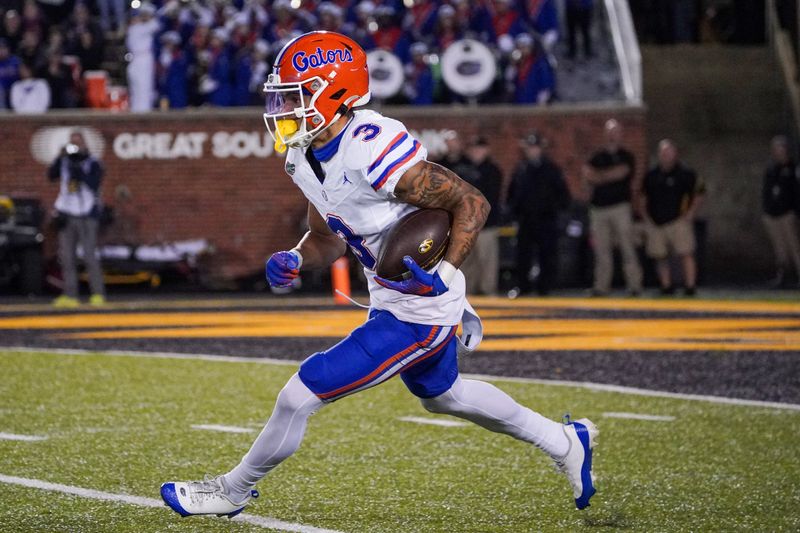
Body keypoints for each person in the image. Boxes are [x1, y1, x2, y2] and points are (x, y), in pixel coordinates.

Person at [160, 31, 598, 519]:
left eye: (296, 95)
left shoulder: (372, 145)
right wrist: (298, 258)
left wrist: (447, 270)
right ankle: (564, 441)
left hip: (421, 303)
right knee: (444, 396)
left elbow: (472, 202)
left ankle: (232, 490)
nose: (284, 108)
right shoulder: (303, 154)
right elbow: (327, 236)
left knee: (300, 394)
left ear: (335, 92)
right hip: (389, 294)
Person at [584, 119, 642, 296]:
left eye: (615, 131)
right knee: (602, 250)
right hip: (599, 209)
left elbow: (622, 172)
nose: (612, 135)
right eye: (609, 131)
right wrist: (608, 175)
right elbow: (588, 175)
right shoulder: (597, 156)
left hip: (620, 207)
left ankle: (634, 285)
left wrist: (600, 176)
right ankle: (601, 286)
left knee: (627, 247)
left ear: (620, 134)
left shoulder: (627, 156)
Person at [48, 131, 106, 307]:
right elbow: (51, 176)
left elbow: (94, 184)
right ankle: (71, 294)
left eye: (78, 143)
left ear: (85, 144)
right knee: (67, 257)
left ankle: (97, 293)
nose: (75, 147)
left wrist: (79, 169)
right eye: (72, 143)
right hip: (67, 212)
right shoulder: (65, 161)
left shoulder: (92, 162)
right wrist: (59, 158)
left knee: (89, 255)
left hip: (86, 213)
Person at [508, 132, 570, 296]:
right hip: (526, 219)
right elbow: (513, 193)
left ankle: (545, 287)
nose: (533, 151)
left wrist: (557, 211)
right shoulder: (521, 169)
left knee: (547, 254)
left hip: (546, 218)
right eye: (530, 148)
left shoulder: (551, 169)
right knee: (523, 254)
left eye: (535, 148)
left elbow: (562, 194)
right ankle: (523, 286)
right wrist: (514, 212)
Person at [641, 139, 705, 295]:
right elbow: (643, 197)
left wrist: (691, 213)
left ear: (675, 154)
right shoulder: (652, 175)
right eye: (663, 153)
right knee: (660, 255)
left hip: (678, 220)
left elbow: (700, 192)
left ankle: (690, 286)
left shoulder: (685, 173)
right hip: (656, 222)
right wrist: (646, 217)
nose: (666, 155)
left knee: (686, 252)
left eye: (669, 152)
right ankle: (666, 285)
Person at [460, 136, 504, 295]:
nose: (476, 152)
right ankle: (466, 296)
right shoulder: (462, 168)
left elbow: (490, 198)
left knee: (487, 264)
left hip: (486, 225)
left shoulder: (492, 170)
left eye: (479, 149)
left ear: (486, 150)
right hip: (465, 225)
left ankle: (489, 294)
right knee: (466, 265)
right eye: (473, 149)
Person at [761, 135, 800, 287]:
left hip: (787, 213)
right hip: (772, 214)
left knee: (794, 246)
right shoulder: (771, 169)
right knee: (779, 248)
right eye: (775, 148)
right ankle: (782, 276)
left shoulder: (793, 168)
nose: (778, 152)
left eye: (780, 148)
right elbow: (766, 191)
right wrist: (766, 210)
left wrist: (795, 211)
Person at [126, 3, 159, 112]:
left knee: (141, 92)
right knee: (142, 91)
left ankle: (140, 114)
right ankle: (141, 117)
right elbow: (156, 25)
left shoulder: (139, 27)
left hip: (137, 60)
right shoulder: (137, 28)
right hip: (141, 59)